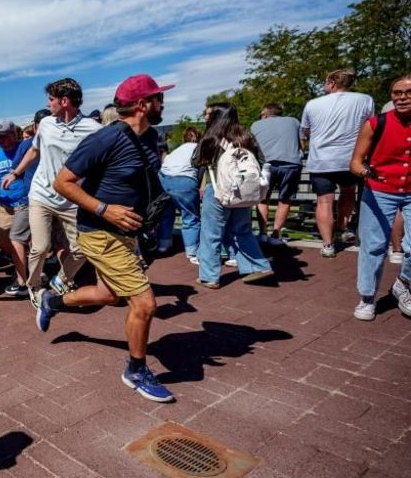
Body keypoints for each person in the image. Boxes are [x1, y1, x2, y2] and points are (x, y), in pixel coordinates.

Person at [36, 74, 176, 403]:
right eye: (157, 98)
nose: (162, 103)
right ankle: (136, 370)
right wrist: (105, 209)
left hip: (127, 232)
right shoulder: (106, 138)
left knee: (107, 293)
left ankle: (52, 301)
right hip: (99, 232)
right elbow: (63, 182)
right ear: (142, 105)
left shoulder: (152, 136)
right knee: (144, 303)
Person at [6, 79, 103, 302]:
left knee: (81, 249)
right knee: (40, 247)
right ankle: (34, 287)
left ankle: (61, 279)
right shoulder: (47, 124)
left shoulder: (93, 130)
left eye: (51, 100)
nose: (48, 104)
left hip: (71, 200)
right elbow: (33, 151)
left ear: (65, 101)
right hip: (41, 195)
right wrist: (16, 173)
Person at [349, 74, 411, 321]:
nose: (402, 97)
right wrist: (365, 172)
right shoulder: (376, 123)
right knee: (373, 245)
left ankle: (403, 282)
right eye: (397, 93)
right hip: (379, 191)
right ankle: (367, 297)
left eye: (408, 92)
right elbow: (355, 161)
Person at [194, 103, 275, 288]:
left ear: (216, 117)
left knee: (211, 234)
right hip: (242, 191)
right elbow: (261, 160)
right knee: (242, 230)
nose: (206, 117)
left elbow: (196, 161)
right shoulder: (246, 137)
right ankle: (257, 266)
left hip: (217, 190)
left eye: (208, 115)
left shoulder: (211, 138)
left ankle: (209, 276)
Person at [301, 69, 375, 257]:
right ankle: (342, 227)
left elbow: (305, 131)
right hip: (350, 158)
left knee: (324, 200)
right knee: (349, 191)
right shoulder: (365, 100)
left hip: (321, 160)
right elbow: (370, 126)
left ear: (332, 83)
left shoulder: (312, 104)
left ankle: (327, 244)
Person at [0, 119, 31, 298]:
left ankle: (24, 275)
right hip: (4, 205)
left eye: (5, 136)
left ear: (14, 133)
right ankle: (23, 264)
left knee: (21, 239)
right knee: (2, 238)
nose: (2, 140)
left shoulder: (24, 148)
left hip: (26, 203)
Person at [251, 103, 303, 245]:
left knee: (262, 199)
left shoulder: (255, 125)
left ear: (265, 114)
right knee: (285, 200)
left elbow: (253, 147)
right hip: (291, 164)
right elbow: (301, 144)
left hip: (266, 165)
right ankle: (275, 235)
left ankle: (262, 233)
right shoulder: (294, 121)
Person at [157, 127, 202, 262]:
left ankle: (163, 245)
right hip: (184, 180)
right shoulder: (199, 148)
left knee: (166, 214)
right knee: (190, 216)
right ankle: (192, 251)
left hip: (164, 179)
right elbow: (201, 169)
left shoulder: (178, 150)